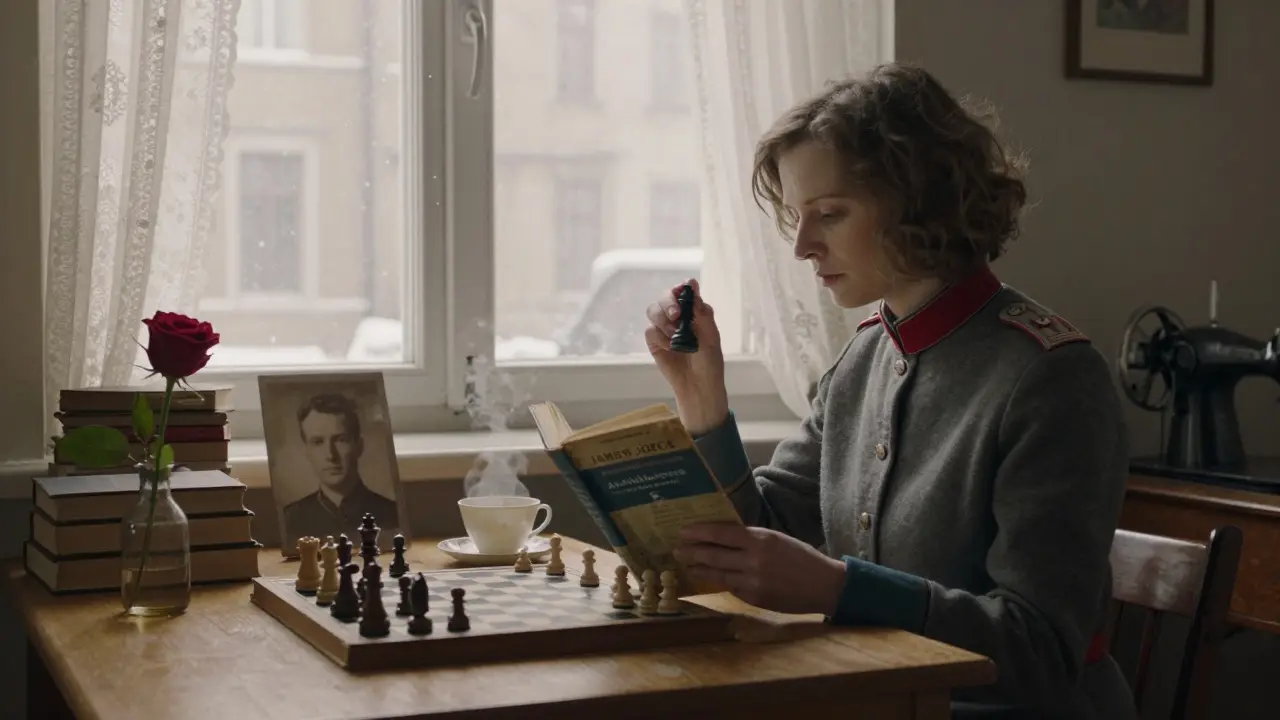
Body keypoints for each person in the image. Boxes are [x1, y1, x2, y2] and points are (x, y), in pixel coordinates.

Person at [647, 63, 1135, 719]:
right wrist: (704, 401)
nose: (802, 246)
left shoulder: (1052, 377)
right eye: (795, 215)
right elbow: (755, 544)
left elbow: (1040, 653)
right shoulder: (861, 359)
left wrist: (839, 588)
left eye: (829, 214)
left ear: (919, 199)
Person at [282, 392, 399, 546]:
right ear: (307, 451)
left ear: (359, 446)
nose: (331, 455)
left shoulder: (392, 514)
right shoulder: (290, 518)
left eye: (341, 440)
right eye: (318, 442)